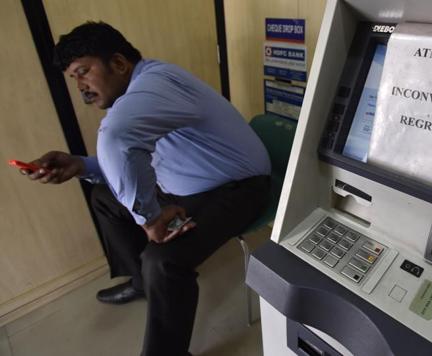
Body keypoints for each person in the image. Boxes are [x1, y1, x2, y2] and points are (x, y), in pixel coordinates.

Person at [23, 21, 271, 356]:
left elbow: (117, 140)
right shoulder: (140, 91)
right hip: (186, 184)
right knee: (103, 197)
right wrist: (81, 166)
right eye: (74, 78)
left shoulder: (158, 82)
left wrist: (151, 219)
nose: (81, 86)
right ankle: (142, 283)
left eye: (84, 71)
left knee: (163, 259)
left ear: (120, 63)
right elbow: (126, 156)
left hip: (239, 186)